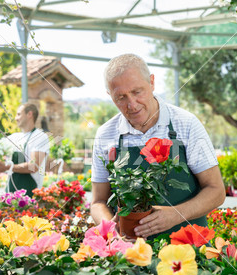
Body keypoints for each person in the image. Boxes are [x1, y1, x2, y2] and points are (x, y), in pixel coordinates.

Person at [91, 53, 226, 240]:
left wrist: (176, 214)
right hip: (131, 255)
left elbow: (216, 191)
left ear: (152, 83)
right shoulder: (106, 134)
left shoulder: (185, 124)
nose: (132, 104)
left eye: (137, 92)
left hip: (187, 251)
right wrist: (110, 228)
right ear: (110, 96)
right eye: (120, 97)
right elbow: (98, 202)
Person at [0, 102, 49, 196]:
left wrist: (7, 167)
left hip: (30, 194)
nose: (16, 118)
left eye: (19, 114)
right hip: (10, 191)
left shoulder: (40, 137)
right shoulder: (14, 137)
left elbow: (33, 166)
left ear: (29, 114)